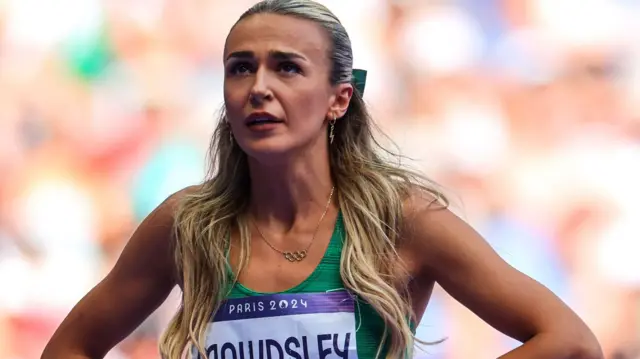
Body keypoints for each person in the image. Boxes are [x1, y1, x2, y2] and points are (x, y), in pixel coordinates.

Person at [41, 1, 603, 358]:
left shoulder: (401, 220)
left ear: (340, 98)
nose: (259, 87)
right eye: (241, 68)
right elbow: (68, 348)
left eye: (287, 67)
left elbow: (570, 340)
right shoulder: (185, 224)